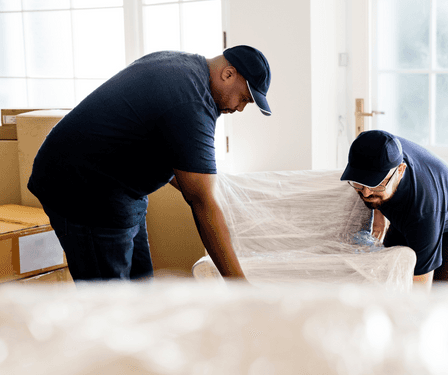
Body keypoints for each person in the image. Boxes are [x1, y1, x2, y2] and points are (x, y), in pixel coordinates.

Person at [28, 45, 272, 282]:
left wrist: (207, 189)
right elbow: (200, 201)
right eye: (244, 99)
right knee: (112, 304)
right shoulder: (191, 101)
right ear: (228, 74)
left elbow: (174, 156)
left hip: (120, 187)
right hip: (83, 189)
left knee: (142, 291)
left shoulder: (185, 69)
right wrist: (241, 289)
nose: (239, 108)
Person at [341, 130, 448, 290]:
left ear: (400, 170)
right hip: (416, 208)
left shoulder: (423, 213)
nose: (366, 193)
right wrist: (379, 216)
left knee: (435, 299)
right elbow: (371, 177)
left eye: (376, 184)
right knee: (388, 275)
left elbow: (421, 291)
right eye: (360, 184)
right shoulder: (376, 147)